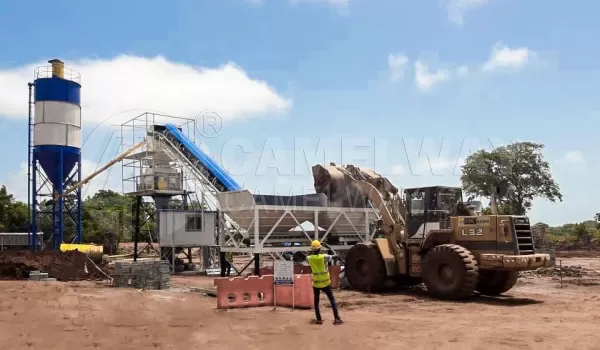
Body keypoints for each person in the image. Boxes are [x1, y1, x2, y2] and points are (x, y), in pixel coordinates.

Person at [306, 240, 343, 325]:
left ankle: (319, 319)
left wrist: (314, 249)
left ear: (312, 250)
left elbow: (309, 255)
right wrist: (327, 246)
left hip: (316, 283)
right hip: (326, 283)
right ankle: (336, 318)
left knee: (316, 302)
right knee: (332, 300)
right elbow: (335, 255)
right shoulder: (324, 257)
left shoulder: (309, 258)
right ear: (320, 249)